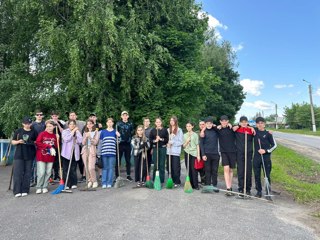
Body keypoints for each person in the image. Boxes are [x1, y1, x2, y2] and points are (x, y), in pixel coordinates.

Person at [11, 117, 37, 197]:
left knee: (27, 173)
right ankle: (17, 191)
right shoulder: (19, 131)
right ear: (23, 123)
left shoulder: (34, 131)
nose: (28, 125)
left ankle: (25, 190)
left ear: (31, 123)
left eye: (29, 123)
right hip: (19, 154)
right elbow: (12, 141)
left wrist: (31, 142)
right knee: (17, 173)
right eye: (26, 123)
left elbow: (37, 142)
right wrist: (18, 141)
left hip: (29, 154)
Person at [253, 117, 277, 200]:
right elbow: (245, 125)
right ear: (256, 124)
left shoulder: (268, 133)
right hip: (256, 157)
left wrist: (266, 151)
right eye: (258, 123)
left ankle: (268, 192)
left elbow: (274, 146)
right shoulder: (254, 131)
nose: (260, 124)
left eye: (262, 123)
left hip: (266, 158)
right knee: (256, 175)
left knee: (267, 175)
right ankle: (258, 191)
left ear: (264, 124)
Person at [233, 116, 255, 196]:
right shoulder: (236, 130)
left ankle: (248, 189)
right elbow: (229, 127)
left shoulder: (251, 130)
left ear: (247, 122)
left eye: (245, 122)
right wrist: (238, 126)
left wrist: (251, 127)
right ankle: (241, 188)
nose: (244, 123)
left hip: (248, 153)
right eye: (242, 122)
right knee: (241, 171)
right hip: (239, 153)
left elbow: (259, 132)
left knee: (248, 171)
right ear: (240, 122)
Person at [35, 120, 58, 194]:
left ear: (54, 127)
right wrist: (48, 146)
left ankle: (45, 186)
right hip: (41, 156)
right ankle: (39, 187)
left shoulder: (55, 136)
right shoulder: (42, 134)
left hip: (50, 157)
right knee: (41, 172)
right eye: (47, 126)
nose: (48, 128)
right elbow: (38, 143)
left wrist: (58, 139)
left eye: (50, 126)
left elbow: (56, 147)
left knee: (48, 172)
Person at [216, 115, 237, 196]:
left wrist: (234, 125)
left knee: (231, 170)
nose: (224, 122)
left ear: (228, 121)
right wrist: (216, 126)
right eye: (222, 121)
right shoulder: (218, 129)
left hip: (232, 152)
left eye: (225, 121)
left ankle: (230, 187)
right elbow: (209, 126)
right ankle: (228, 188)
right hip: (223, 152)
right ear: (220, 122)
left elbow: (241, 126)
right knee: (226, 168)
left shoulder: (232, 128)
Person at [61, 120, 83, 189]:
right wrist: (72, 132)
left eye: (73, 124)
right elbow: (66, 139)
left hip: (74, 153)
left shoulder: (77, 132)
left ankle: (74, 183)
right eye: (70, 124)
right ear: (68, 125)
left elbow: (80, 141)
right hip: (66, 153)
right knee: (65, 169)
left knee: (73, 169)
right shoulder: (65, 131)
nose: (72, 125)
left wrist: (77, 134)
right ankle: (67, 183)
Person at [199, 117, 219, 189]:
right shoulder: (203, 132)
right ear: (205, 124)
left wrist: (215, 126)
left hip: (215, 154)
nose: (209, 125)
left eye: (210, 123)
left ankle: (214, 185)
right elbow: (201, 144)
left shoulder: (216, 131)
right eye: (207, 123)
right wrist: (203, 154)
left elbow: (220, 128)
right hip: (207, 154)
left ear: (212, 124)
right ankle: (207, 185)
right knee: (207, 170)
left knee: (214, 170)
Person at [100, 118, 120, 188]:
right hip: (104, 153)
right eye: (108, 122)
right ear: (106, 123)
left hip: (112, 153)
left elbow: (118, 142)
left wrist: (119, 136)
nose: (109, 123)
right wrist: (99, 153)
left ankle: (109, 182)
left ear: (113, 123)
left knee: (111, 168)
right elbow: (100, 143)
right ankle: (104, 182)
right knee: (105, 168)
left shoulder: (115, 132)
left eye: (111, 122)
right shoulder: (103, 132)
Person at [67, 111, 86, 182]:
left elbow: (90, 124)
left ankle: (83, 175)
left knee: (80, 161)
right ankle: (72, 178)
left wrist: (97, 124)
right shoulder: (66, 124)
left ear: (76, 116)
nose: (72, 116)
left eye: (74, 115)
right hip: (70, 146)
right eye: (71, 115)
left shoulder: (82, 123)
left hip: (79, 145)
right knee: (72, 163)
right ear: (69, 117)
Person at [149, 118, 169, 184]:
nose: (158, 123)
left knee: (162, 164)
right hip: (155, 149)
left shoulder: (164, 130)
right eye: (157, 122)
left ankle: (162, 179)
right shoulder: (153, 130)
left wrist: (160, 139)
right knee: (155, 164)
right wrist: (155, 141)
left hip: (162, 148)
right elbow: (150, 140)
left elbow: (167, 139)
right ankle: (155, 179)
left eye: (159, 122)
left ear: (161, 123)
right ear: (155, 123)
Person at [116, 111, 134, 182]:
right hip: (120, 144)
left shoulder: (131, 123)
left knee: (128, 160)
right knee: (118, 160)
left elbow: (132, 132)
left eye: (126, 115)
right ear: (121, 116)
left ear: (128, 116)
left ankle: (128, 175)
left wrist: (129, 137)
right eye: (123, 115)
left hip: (127, 144)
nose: (125, 116)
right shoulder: (118, 124)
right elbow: (116, 133)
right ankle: (117, 175)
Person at [81, 119, 100, 188]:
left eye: (90, 123)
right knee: (86, 167)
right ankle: (90, 180)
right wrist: (86, 137)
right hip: (85, 150)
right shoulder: (84, 132)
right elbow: (83, 143)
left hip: (92, 150)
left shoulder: (96, 132)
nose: (89, 125)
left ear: (93, 124)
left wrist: (90, 137)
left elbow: (95, 142)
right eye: (87, 124)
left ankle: (94, 181)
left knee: (91, 167)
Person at [30, 109, 46, 187]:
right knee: (33, 163)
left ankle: (41, 179)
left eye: (40, 114)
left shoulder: (45, 124)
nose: (39, 116)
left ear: (42, 116)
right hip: (34, 146)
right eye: (37, 115)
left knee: (42, 163)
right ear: (35, 116)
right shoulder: (32, 125)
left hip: (43, 146)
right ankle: (32, 180)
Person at [183, 121, 201, 190]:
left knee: (194, 169)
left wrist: (198, 155)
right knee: (188, 169)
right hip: (187, 152)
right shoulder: (185, 135)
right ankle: (189, 184)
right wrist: (187, 141)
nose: (188, 127)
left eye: (189, 126)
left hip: (193, 153)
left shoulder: (195, 135)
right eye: (187, 126)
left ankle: (195, 185)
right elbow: (183, 146)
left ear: (192, 126)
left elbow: (197, 145)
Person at [167, 116, 183, 188]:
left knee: (175, 167)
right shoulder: (168, 130)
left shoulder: (179, 130)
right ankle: (171, 180)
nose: (171, 122)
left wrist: (172, 142)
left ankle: (177, 181)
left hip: (176, 152)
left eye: (173, 120)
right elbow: (166, 140)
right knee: (169, 167)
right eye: (170, 120)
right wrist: (167, 143)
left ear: (175, 121)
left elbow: (181, 142)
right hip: (169, 151)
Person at [50, 111, 65, 182]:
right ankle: (52, 176)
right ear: (51, 116)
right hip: (51, 143)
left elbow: (62, 131)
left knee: (58, 160)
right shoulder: (49, 123)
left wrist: (58, 124)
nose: (55, 117)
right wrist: (52, 125)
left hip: (58, 143)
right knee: (52, 159)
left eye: (56, 116)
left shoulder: (60, 123)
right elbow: (47, 131)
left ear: (58, 116)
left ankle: (57, 175)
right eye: (53, 116)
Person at [197, 120, 206, 185]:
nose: (201, 126)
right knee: (200, 167)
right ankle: (202, 180)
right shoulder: (197, 133)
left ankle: (206, 181)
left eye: (203, 124)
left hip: (207, 152)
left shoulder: (208, 131)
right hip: (199, 152)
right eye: (200, 124)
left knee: (206, 167)